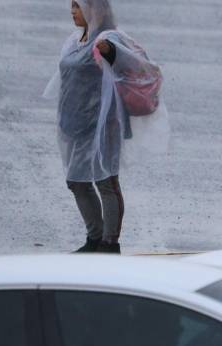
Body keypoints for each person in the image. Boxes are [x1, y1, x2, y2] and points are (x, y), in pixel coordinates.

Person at [45, 0, 166, 254]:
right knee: (76, 181)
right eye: (72, 5)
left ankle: (109, 244)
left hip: (102, 124)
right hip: (75, 123)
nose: (72, 10)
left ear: (95, 9)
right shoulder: (74, 40)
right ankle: (94, 237)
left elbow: (129, 61)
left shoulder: (108, 37)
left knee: (105, 181)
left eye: (78, 6)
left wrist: (109, 51)